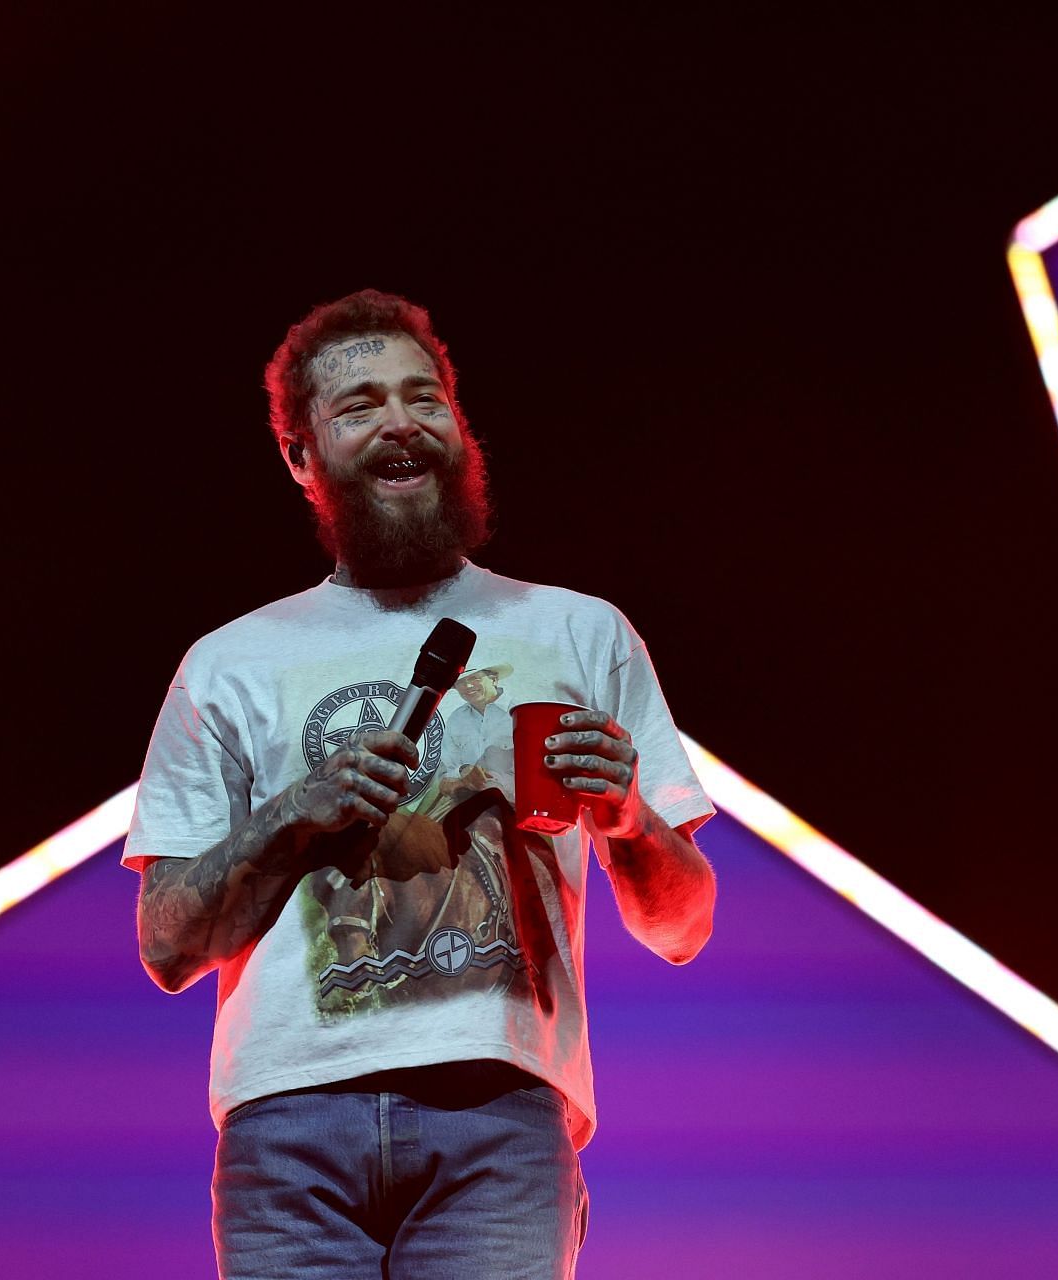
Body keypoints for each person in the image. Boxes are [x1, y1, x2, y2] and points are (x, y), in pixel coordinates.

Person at [124, 288, 717, 1280]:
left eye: (424, 397)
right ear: (300, 456)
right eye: (359, 405)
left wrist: (626, 816)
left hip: (501, 1115)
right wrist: (289, 813)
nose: (402, 421)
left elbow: (683, 924)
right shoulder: (229, 662)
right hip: (288, 1129)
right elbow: (166, 944)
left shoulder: (580, 632)